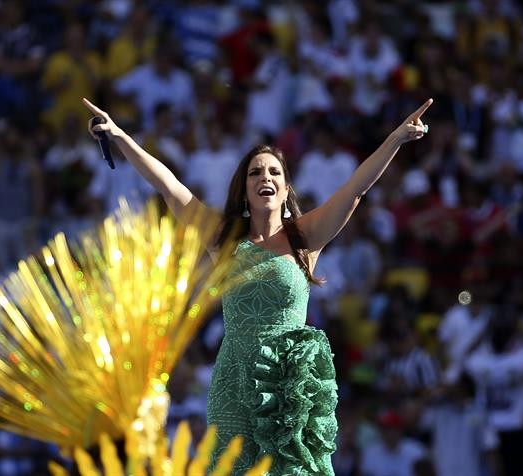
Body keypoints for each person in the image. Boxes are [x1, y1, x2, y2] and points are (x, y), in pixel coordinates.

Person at [82, 96, 432, 475]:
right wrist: (118, 135)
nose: (265, 177)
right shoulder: (224, 239)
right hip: (234, 384)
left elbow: (355, 189)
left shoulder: (306, 237)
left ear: (285, 190)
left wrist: (395, 139)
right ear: (244, 192)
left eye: (274, 173)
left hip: (290, 386)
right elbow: (170, 187)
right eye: (255, 173)